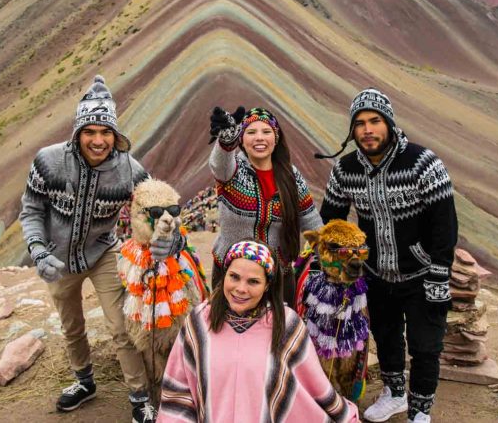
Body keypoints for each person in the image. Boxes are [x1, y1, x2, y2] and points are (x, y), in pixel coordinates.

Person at [19, 75, 179, 421]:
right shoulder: (47, 161)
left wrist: (168, 239)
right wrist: (38, 250)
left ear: (115, 135)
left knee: (121, 327)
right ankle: (84, 382)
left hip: (104, 252)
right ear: (77, 132)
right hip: (56, 258)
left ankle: (139, 397)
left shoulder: (130, 171)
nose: (98, 140)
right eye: (89, 131)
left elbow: (157, 208)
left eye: (106, 132)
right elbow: (31, 211)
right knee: (71, 326)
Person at [318, 88, 458, 423]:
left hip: (423, 272)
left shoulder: (424, 163)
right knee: (385, 335)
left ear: (390, 124)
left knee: (425, 346)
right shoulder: (345, 170)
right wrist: (338, 263)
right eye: (360, 123)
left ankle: (420, 411)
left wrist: (439, 272)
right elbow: (331, 219)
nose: (368, 129)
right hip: (375, 273)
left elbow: (445, 223)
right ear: (352, 130)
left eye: (375, 121)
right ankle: (395, 394)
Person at [159, 241, 359, 422]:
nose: (240, 289)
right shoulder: (199, 322)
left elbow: (314, 385)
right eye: (234, 277)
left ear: (267, 285)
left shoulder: (286, 324)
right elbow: (178, 390)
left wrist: (342, 415)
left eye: (253, 281)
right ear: (224, 275)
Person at [208, 106, 322, 304]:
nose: (259, 138)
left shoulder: (291, 176)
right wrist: (226, 141)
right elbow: (219, 164)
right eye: (251, 132)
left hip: (278, 277)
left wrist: (332, 259)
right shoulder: (232, 172)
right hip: (233, 276)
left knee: (280, 324)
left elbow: (311, 221)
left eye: (266, 131)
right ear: (241, 139)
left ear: (276, 138)